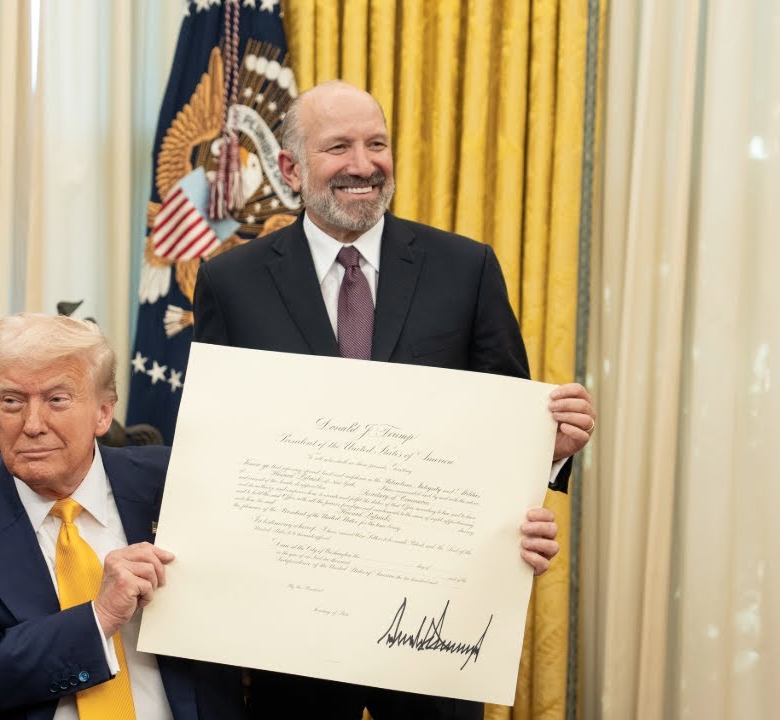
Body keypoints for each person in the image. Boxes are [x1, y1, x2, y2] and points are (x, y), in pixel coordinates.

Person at [193, 80, 596, 719]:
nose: (363, 164)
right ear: (291, 169)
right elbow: (211, 451)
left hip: (433, 633)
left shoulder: (467, 269)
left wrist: (548, 454)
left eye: (377, 143)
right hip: (292, 635)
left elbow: (505, 426)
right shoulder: (229, 282)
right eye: (340, 147)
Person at [0, 313, 247, 720]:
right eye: (12, 401)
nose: (33, 425)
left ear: (103, 412)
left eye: (57, 399)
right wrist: (97, 619)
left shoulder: (176, 485)